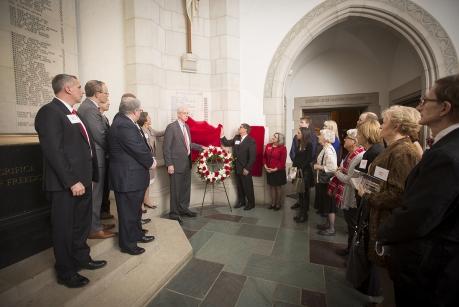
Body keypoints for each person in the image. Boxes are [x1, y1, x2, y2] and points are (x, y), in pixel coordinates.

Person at [379, 74, 459, 306]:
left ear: (444, 108)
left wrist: (384, 232)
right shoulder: (445, 146)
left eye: (426, 101)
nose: (419, 106)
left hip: (429, 263)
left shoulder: (447, 154)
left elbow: (420, 214)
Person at [34, 74, 106, 288]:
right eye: (77, 87)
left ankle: (82, 258)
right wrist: (72, 181)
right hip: (66, 185)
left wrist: (90, 177)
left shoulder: (73, 113)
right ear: (66, 89)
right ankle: (66, 271)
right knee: (64, 228)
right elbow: (54, 151)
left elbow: (85, 147)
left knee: (81, 224)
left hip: (83, 182)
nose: (81, 90)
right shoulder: (50, 112)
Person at [109, 96, 155, 255]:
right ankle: (127, 244)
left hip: (133, 177)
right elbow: (137, 148)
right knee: (128, 213)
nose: (141, 112)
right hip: (127, 177)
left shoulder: (127, 123)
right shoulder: (123, 125)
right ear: (135, 111)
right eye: (140, 110)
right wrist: (151, 162)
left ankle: (136, 234)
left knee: (135, 211)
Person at [78, 80, 115, 239]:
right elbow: (100, 136)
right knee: (95, 196)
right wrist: (114, 150)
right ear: (97, 93)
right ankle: (93, 229)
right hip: (96, 160)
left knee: (98, 195)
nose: (107, 95)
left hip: (99, 158)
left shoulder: (91, 108)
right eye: (106, 92)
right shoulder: (89, 109)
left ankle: (96, 223)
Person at [164, 106, 206, 224]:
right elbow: (166, 148)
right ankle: (174, 213)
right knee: (176, 190)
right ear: (178, 114)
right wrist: (169, 164)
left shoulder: (186, 127)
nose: (187, 115)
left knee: (185, 189)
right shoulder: (171, 127)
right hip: (175, 165)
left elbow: (188, 144)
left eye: (188, 113)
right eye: (184, 113)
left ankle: (183, 209)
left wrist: (202, 147)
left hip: (187, 163)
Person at [331, 129, 365, 254]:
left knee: (353, 225)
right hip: (347, 193)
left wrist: (337, 172)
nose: (344, 139)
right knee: (350, 224)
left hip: (352, 196)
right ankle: (349, 249)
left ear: (355, 141)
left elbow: (350, 180)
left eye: (347, 138)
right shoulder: (350, 154)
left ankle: (352, 251)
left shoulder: (358, 156)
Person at [220, 123, 257, 210]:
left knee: (247, 186)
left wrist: (247, 168)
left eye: (241, 127)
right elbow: (226, 143)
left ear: (245, 130)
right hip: (237, 166)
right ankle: (242, 201)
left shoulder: (251, 140)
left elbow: (252, 157)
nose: (239, 128)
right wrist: (222, 134)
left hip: (245, 168)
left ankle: (251, 203)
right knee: (239, 186)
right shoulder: (236, 138)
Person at [138, 111, 165, 211]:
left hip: (151, 160)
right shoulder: (140, 130)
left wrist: (171, 127)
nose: (150, 118)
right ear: (144, 119)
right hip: (145, 161)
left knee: (148, 182)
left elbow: (159, 133)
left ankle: (146, 200)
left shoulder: (150, 129)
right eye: (149, 117)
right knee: (143, 183)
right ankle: (140, 204)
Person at [314, 129, 338, 235]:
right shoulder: (326, 148)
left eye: (321, 135)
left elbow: (332, 168)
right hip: (324, 180)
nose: (318, 136)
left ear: (326, 138)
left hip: (327, 181)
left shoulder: (328, 150)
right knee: (327, 204)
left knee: (330, 204)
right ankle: (328, 224)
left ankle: (331, 228)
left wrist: (318, 166)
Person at [291, 127, 314, 223]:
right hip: (297, 172)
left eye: (299, 133)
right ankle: (300, 213)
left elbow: (308, 159)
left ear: (304, 134)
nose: (297, 134)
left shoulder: (309, 145)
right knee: (300, 194)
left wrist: (299, 167)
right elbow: (296, 158)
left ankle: (304, 215)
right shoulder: (298, 144)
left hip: (305, 173)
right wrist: (293, 171)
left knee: (305, 195)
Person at [263, 132, 287, 211]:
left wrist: (275, 169)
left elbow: (282, 161)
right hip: (269, 170)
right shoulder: (268, 146)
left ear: (279, 140)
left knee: (278, 187)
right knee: (272, 187)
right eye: (273, 136)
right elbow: (264, 157)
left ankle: (278, 204)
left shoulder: (283, 148)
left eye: (275, 137)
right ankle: (273, 203)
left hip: (278, 171)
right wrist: (265, 166)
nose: (272, 137)